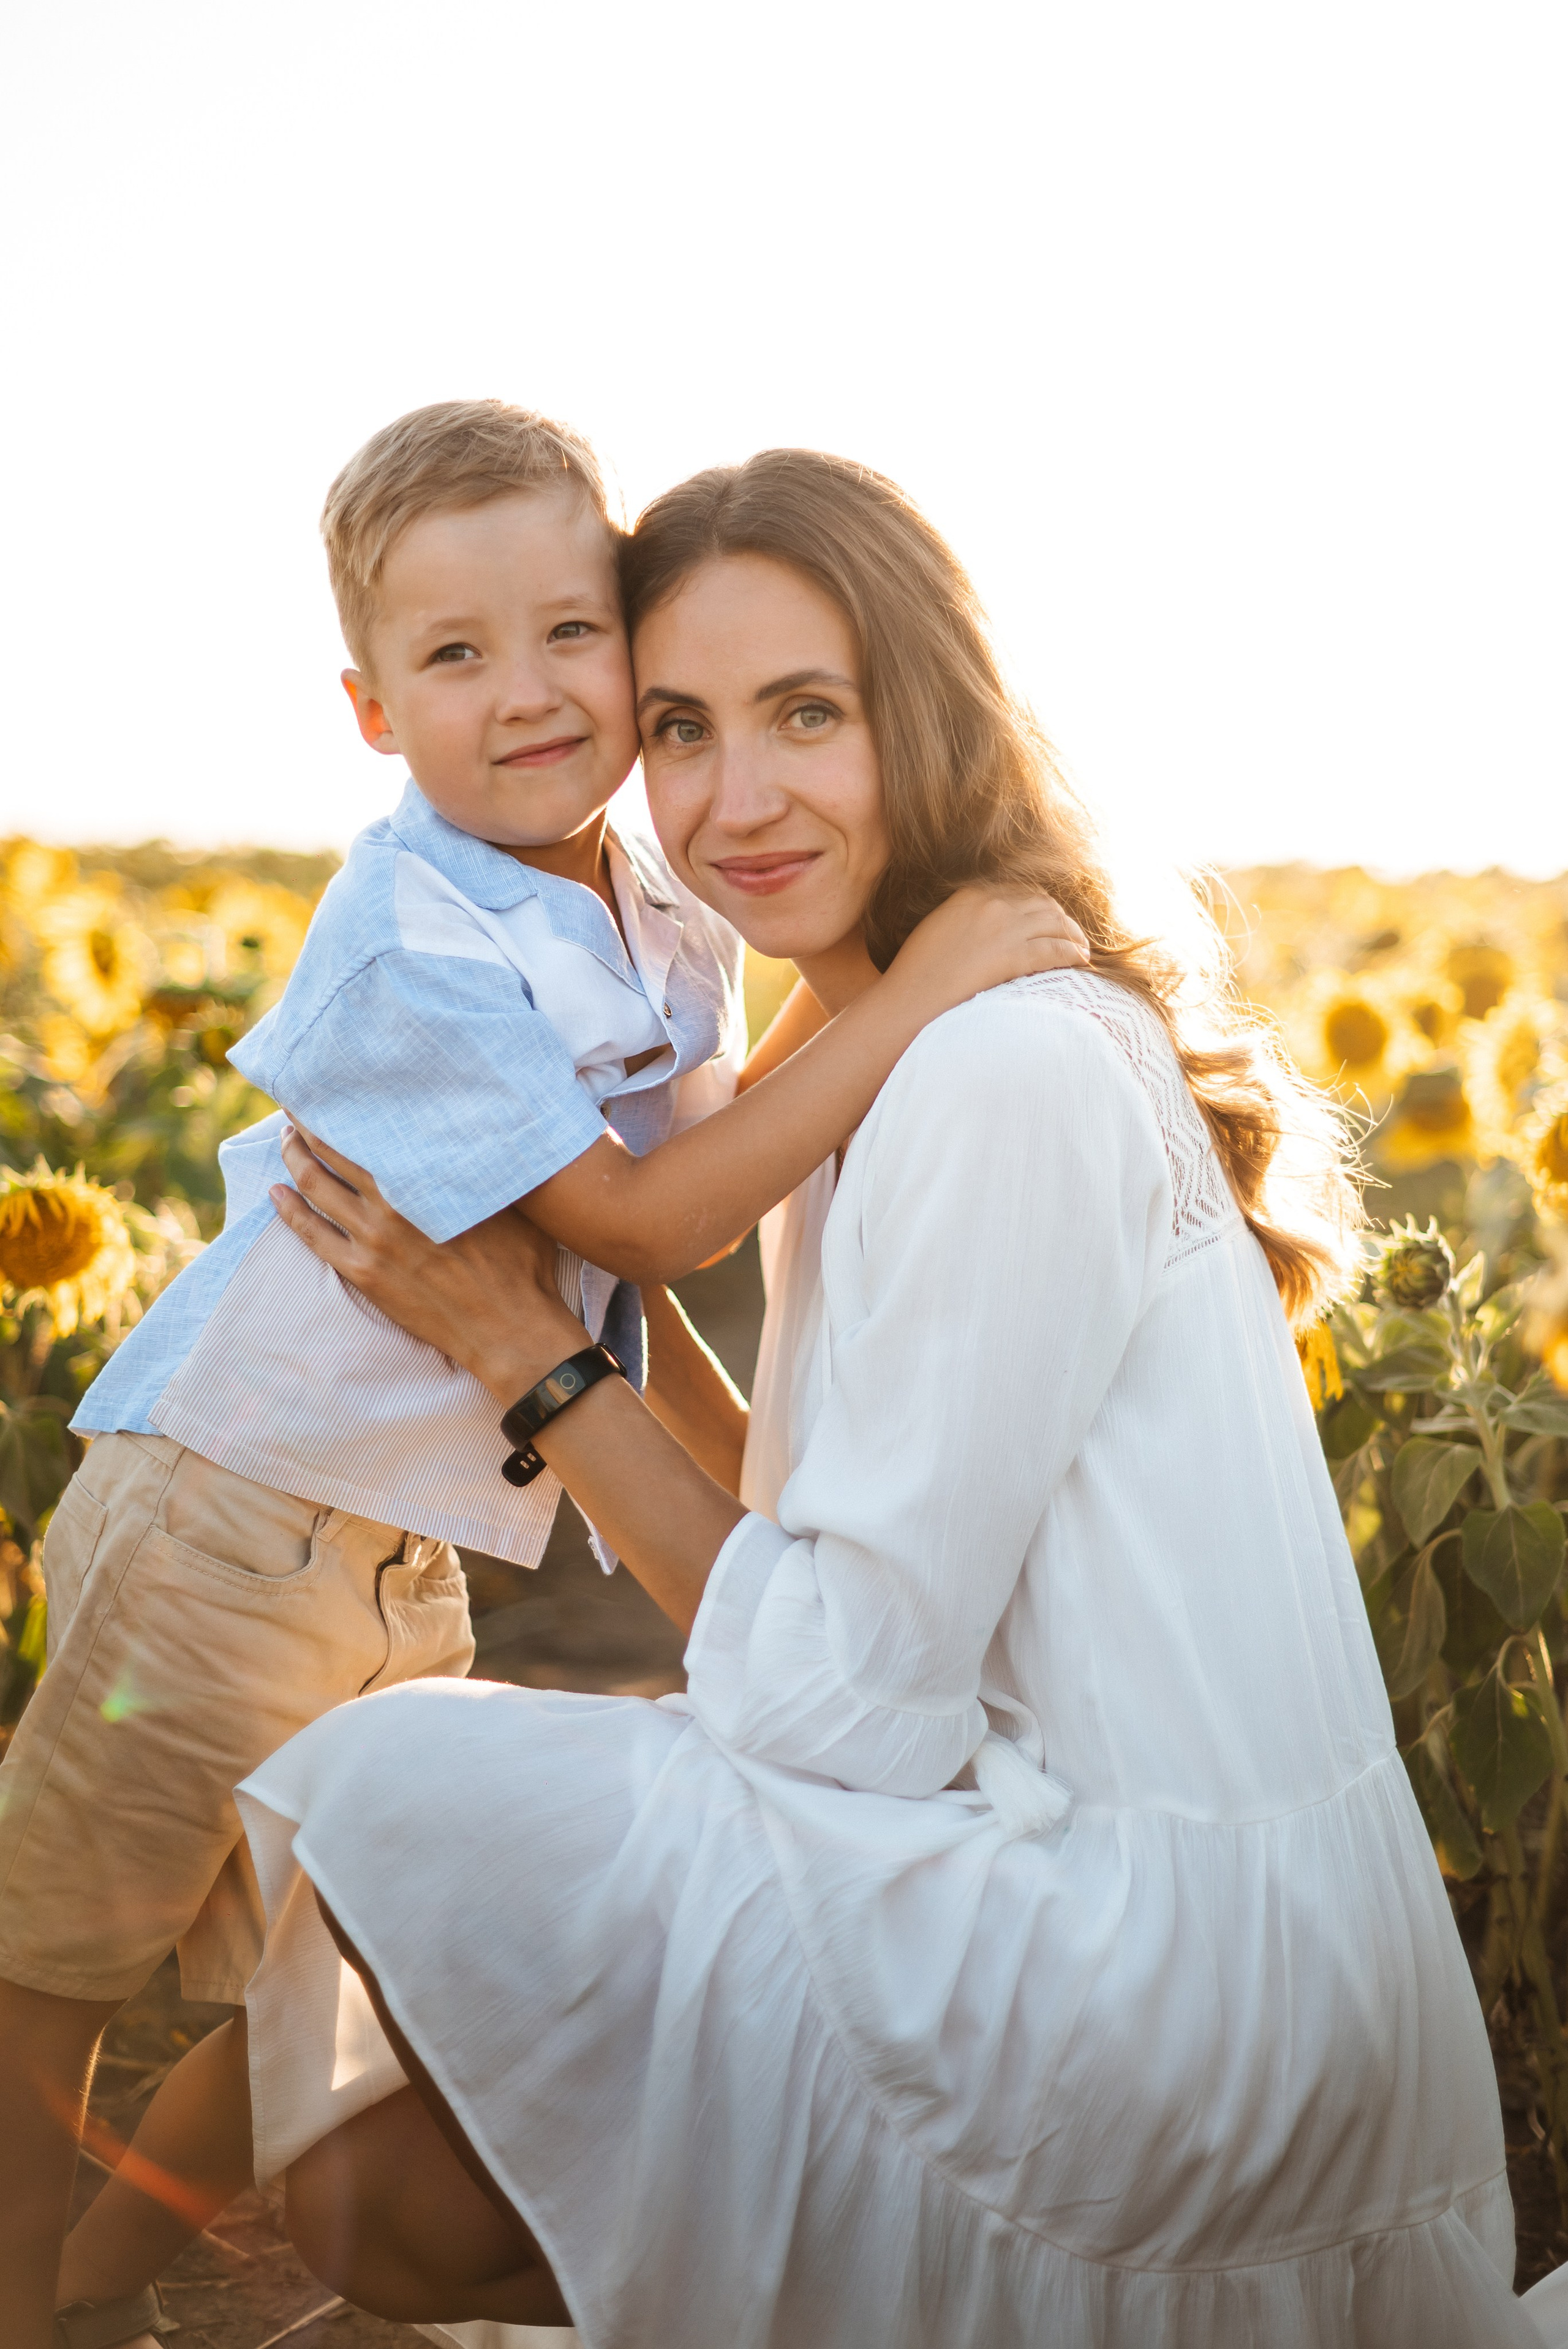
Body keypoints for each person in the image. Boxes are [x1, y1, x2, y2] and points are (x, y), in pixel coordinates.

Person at [231, 449, 1532, 2348]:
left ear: (926, 713)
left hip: (1160, 1971)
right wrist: (571, 1300)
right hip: (1094, 1870)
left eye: (807, 713)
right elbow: (810, 1522)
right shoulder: (884, 1051)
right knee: (393, 2118)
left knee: (395, 1804)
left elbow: (848, 1702)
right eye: (683, 727)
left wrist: (529, 1353)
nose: (735, 798)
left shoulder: (1006, 1072)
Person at [0, 406, 1087, 2349]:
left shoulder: (650, 907)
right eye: (454, 653)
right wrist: (923, 992)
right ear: (370, 711)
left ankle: (102, 2283)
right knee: (47, 1970)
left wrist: (871, 994)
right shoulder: (409, 939)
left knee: (333, 1953)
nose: (527, 691)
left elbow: (663, 1203)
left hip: (397, 1540)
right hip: (223, 1510)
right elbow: (649, 1223)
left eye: (571, 631)